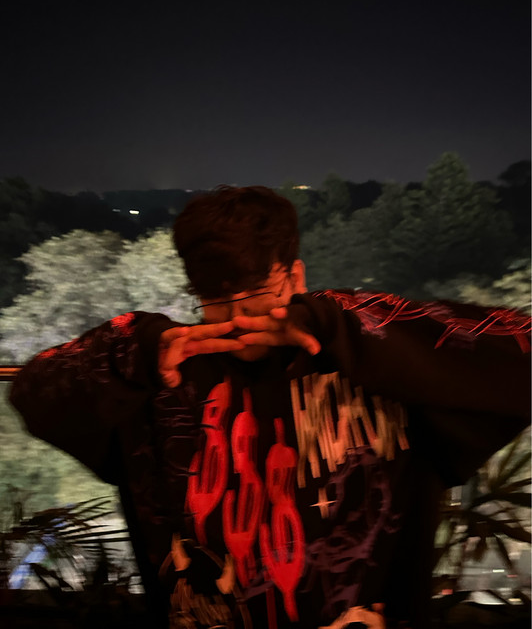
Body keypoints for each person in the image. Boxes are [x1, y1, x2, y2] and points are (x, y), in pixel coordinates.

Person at [9, 185, 531, 629]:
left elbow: (518, 347)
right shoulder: (164, 378)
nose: (237, 319)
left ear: (296, 276)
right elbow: (33, 391)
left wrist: (339, 322)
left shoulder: (377, 369)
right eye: (215, 298)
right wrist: (137, 347)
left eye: (258, 291)